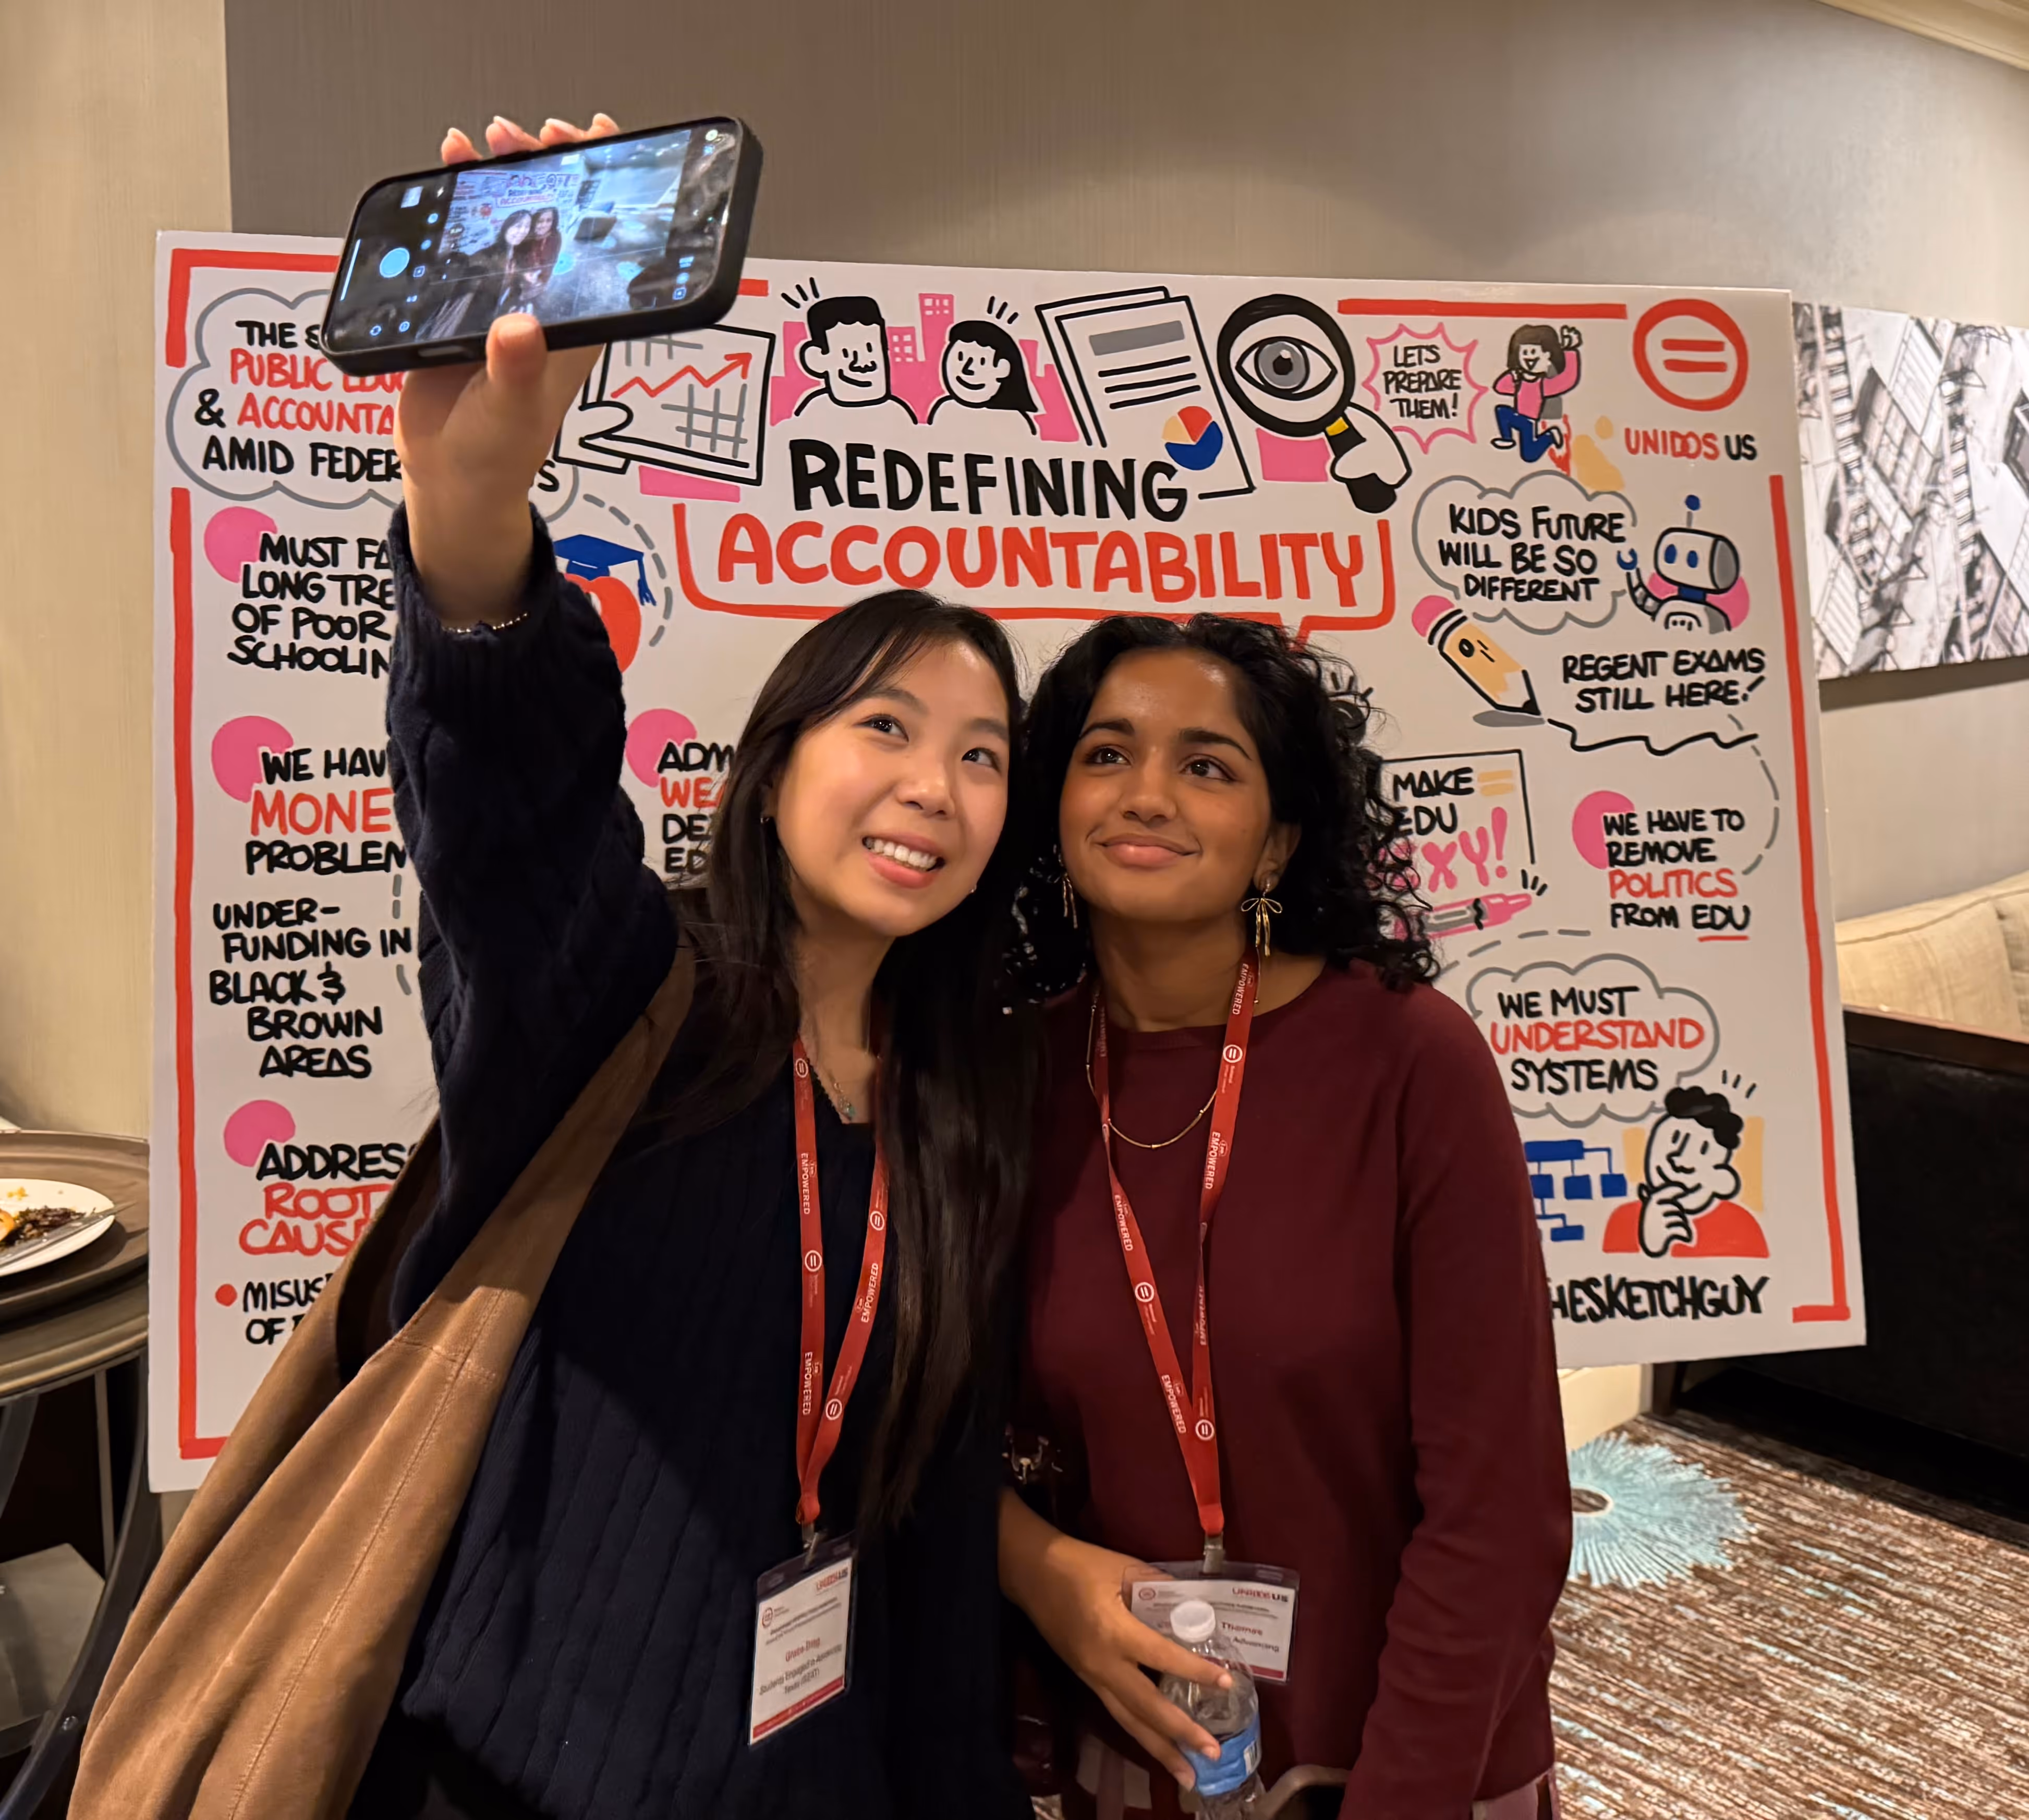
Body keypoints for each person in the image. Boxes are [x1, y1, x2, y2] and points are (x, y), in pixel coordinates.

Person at [349, 113, 1033, 1820]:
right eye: (888, 727)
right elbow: (511, 815)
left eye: (982, 756)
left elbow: (938, 1540)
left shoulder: (959, 1107)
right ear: (774, 764)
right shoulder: (628, 995)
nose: (935, 788)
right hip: (509, 1782)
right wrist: (472, 506)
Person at [996, 615, 1571, 1818]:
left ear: (1276, 844)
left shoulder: (1407, 1062)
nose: (1146, 793)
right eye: (1106, 754)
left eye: (1206, 764)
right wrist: (1036, 1568)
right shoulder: (1010, 1081)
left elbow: (1499, 1511)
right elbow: (935, 1436)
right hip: (1137, 1761)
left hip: (1405, 1763)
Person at [1602, 1085, 1769, 1259]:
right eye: (1674, 1140)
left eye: (1702, 1151)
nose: (1679, 1160)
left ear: (1721, 1176)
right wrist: (1651, 1236)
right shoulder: (1623, 1219)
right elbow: (1609, 1267)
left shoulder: (1739, 1224)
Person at [795, 295, 920, 426]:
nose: (864, 364)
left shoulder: (896, 413)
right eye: (847, 354)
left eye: (871, 350)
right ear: (816, 361)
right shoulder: (814, 412)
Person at [1491, 324, 1582, 463]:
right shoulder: (1519, 381)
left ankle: (1550, 436)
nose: (1529, 357)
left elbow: (1567, 380)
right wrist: (1512, 375)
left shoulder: (1542, 385)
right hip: (1519, 417)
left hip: (1529, 422)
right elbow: (1500, 387)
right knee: (1502, 411)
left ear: (1547, 356)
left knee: (1528, 456)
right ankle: (1509, 439)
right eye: (1525, 353)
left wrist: (1571, 351)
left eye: (1534, 352)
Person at [928, 318, 1039, 431]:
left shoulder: (1014, 419)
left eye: (982, 362)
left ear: (1003, 369)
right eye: (960, 358)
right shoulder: (947, 409)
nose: (967, 370)